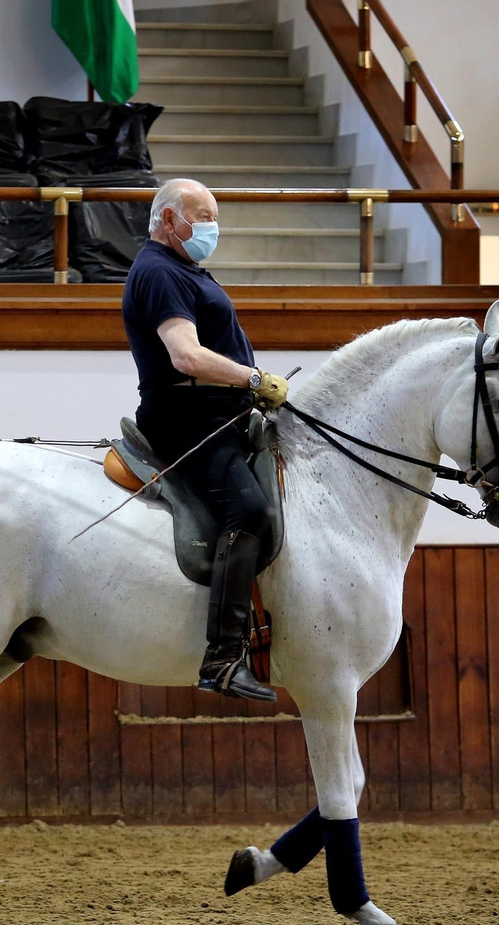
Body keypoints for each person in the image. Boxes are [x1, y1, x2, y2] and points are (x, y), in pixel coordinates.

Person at [121, 178, 290, 703]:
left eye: (214, 217)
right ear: (169, 220)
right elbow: (186, 357)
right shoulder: (159, 272)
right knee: (253, 514)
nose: (212, 228)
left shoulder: (181, 267)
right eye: (203, 216)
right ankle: (221, 660)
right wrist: (253, 379)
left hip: (219, 413)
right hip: (187, 421)